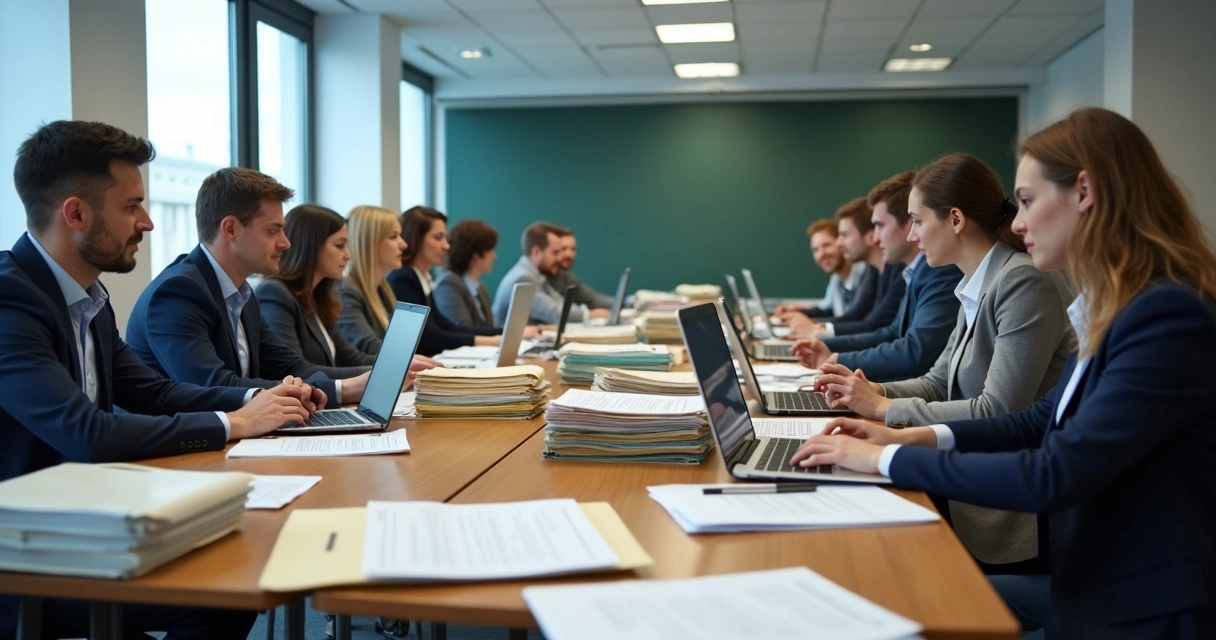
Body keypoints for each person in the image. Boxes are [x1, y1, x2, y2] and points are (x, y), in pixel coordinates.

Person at [791, 108, 1216, 639]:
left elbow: (1054, 471)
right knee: (878, 597)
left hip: (1133, 613)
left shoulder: (1165, 314)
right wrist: (903, 432)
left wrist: (887, 456)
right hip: (1082, 588)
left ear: (1083, 191)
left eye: (1030, 201)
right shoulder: (1116, 304)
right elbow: (1037, 420)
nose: (1016, 222)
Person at [1, 120, 313, 639]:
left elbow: (153, 390)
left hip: (82, 522)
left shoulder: (87, 299)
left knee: (235, 564)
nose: (147, 222)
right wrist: (233, 421)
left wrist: (256, 400)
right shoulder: (11, 302)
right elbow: (89, 434)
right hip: (26, 554)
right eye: (131, 207)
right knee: (224, 593)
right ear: (75, 213)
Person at [814, 153, 1076, 573]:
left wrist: (883, 409)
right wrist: (873, 394)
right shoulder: (976, 281)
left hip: (1001, 508)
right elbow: (939, 380)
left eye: (917, 221)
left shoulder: (1022, 281)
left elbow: (998, 409)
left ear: (955, 219)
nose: (912, 235)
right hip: (965, 479)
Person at [126, 168, 372, 408]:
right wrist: (343, 390)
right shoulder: (178, 292)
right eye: (273, 230)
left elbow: (292, 366)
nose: (285, 243)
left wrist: (361, 383)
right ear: (230, 229)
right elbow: (212, 385)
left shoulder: (242, 293)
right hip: (182, 446)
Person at [790, 171, 962, 382]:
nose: (875, 237)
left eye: (880, 226)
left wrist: (835, 358)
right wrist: (829, 351)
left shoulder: (940, 272)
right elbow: (890, 333)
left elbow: (914, 352)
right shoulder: (916, 271)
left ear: (908, 223)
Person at [255, 204, 438, 373]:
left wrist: (400, 365)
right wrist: (389, 371)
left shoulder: (318, 297)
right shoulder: (275, 293)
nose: (348, 255)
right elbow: (295, 370)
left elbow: (350, 357)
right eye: (340, 245)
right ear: (310, 246)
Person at [388, 207, 531, 356]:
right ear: (416, 239)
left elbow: (447, 327)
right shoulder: (403, 279)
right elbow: (429, 338)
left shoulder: (421, 278)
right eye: (438, 237)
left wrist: (503, 333)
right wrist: (496, 339)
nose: (446, 245)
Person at [784, 196, 904, 339]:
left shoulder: (898, 272)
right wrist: (808, 324)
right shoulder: (875, 271)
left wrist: (816, 329)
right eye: (815, 249)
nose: (839, 243)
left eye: (844, 235)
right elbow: (859, 317)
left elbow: (870, 324)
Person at [777, 210, 877, 336]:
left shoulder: (867, 273)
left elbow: (855, 318)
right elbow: (827, 310)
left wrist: (814, 327)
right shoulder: (837, 279)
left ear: (841, 242)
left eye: (826, 245)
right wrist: (798, 314)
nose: (821, 254)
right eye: (815, 250)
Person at [494, 222, 610, 325]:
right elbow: (555, 313)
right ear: (537, 252)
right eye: (555, 252)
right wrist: (589, 314)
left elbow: (560, 302)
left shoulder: (536, 275)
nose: (560, 258)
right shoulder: (523, 277)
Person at [337, 205, 406, 355]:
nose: (403, 244)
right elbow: (369, 347)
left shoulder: (382, 289)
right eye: (393, 236)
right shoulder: (346, 292)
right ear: (369, 242)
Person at [433, 218, 500, 328]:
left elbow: (489, 328)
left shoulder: (481, 288)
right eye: (489, 250)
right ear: (474, 255)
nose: (494, 256)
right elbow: (462, 330)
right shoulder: (449, 284)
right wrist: (502, 333)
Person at [548, 227, 614, 309]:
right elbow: (556, 310)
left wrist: (627, 301)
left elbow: (592, 299)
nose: (569, 254)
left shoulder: (566, 276)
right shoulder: (539, 278)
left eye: (572, 249)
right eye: (563, 249)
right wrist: (588, 314)